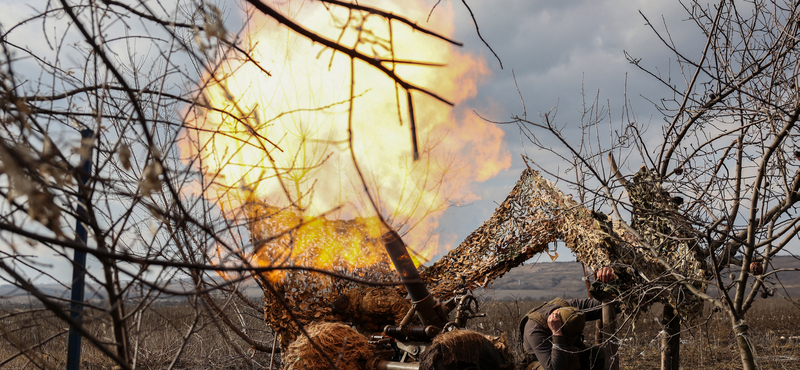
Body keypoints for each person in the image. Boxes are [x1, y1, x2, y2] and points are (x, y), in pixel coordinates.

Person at [520, 267, 615, 370]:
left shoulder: (571, 307)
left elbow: (607, 306)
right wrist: (557, 334)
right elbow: (554, 368)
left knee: (601, 354)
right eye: (568, 336)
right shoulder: (535, 329)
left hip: (570, 353)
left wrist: (610, 278)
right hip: (542, 362)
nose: (569, 339)